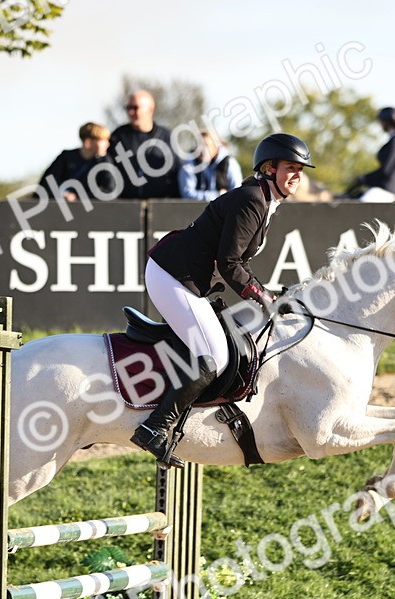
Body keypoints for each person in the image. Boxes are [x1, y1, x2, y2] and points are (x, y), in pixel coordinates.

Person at [129, 133, 314, 468]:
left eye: (301, 169)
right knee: (213, 353)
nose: (297, 176)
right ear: (269, 168)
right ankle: (154, 428)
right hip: (173, 275)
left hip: (187, 278)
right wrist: (263, 298)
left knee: (221, 345)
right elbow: (229, 263)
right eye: (291, 168)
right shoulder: (252, 200)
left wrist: (266, 293)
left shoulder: (263, 200)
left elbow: (233, 261)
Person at [109, 90, 179, 199]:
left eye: (135, 108)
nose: (131, 112)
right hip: (125, 205)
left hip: (160, 206)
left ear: (150, 109)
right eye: (128, 108)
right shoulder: (118, 136)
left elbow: (176, 170)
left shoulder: (166, 136)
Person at [38, 122, 112, 201]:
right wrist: (61, 195)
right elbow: (46, 185)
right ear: (88, 143)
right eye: (103, 141)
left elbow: (109, 189)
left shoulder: (104, 162)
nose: (107, 144)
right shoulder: (66, 158)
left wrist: (77, 197)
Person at [347, 106, 395, 202]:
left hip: (387, 190)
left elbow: (385, 171)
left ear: (385, 121)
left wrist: (364, 179)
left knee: (358, 205)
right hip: (384, 189)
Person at [178, 130, 243, 201]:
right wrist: (218, 195)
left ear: (217, 147)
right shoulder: (189, 164)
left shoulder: (230, 163)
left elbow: (237, 193)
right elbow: (187, 194)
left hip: (223, 210)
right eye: (199, 145)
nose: (202, 149)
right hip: (195, 210)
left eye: (206, 145)